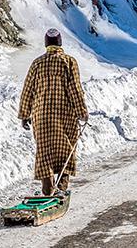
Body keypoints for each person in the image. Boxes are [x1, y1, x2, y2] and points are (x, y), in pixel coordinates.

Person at [19, 29, 88, 197]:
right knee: (67, 149)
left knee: (44, 151)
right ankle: (61, 188)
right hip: (65, 116)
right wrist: (82, 112)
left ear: (46, 44)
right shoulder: (69, 62)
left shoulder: (37, 63)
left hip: (41, 116)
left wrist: (24, 114)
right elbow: (75, 90)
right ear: (60, 43)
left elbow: (28, 90)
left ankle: (48, 190)